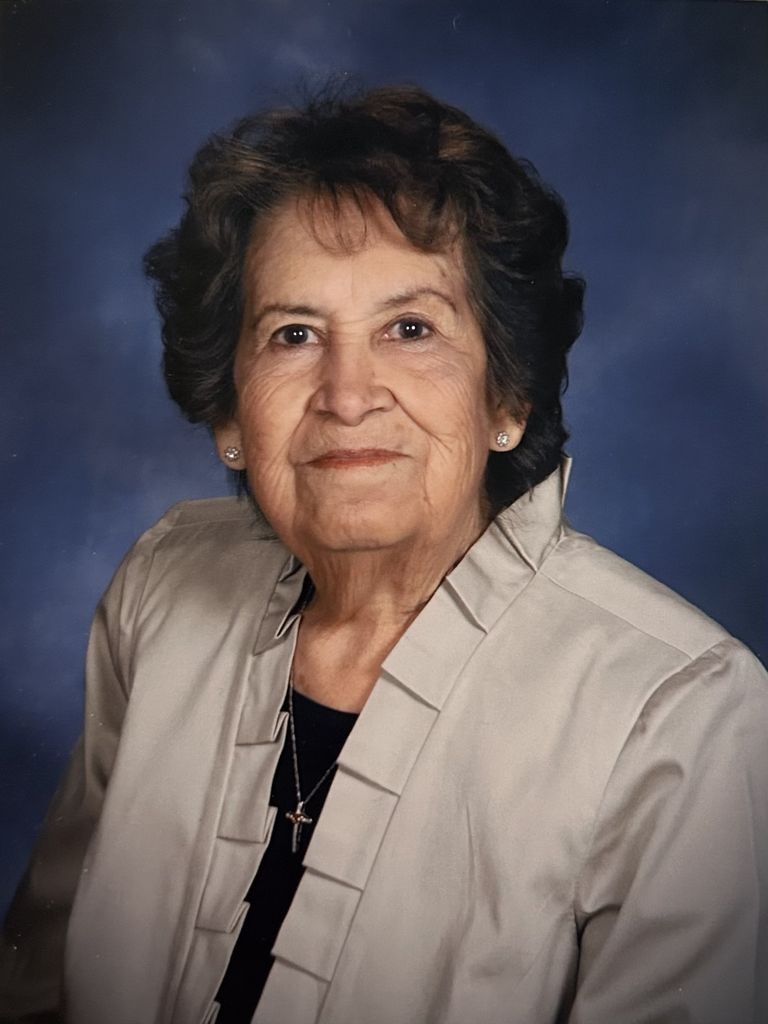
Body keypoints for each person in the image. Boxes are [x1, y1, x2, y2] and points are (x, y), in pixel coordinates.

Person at [1, 84, 766, 1024]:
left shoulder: (683, 716)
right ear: (230, 413)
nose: (348, 393)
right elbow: (34, 983)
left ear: (506, 397)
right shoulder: (163, 584)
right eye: (294, 335)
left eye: (410, 329)